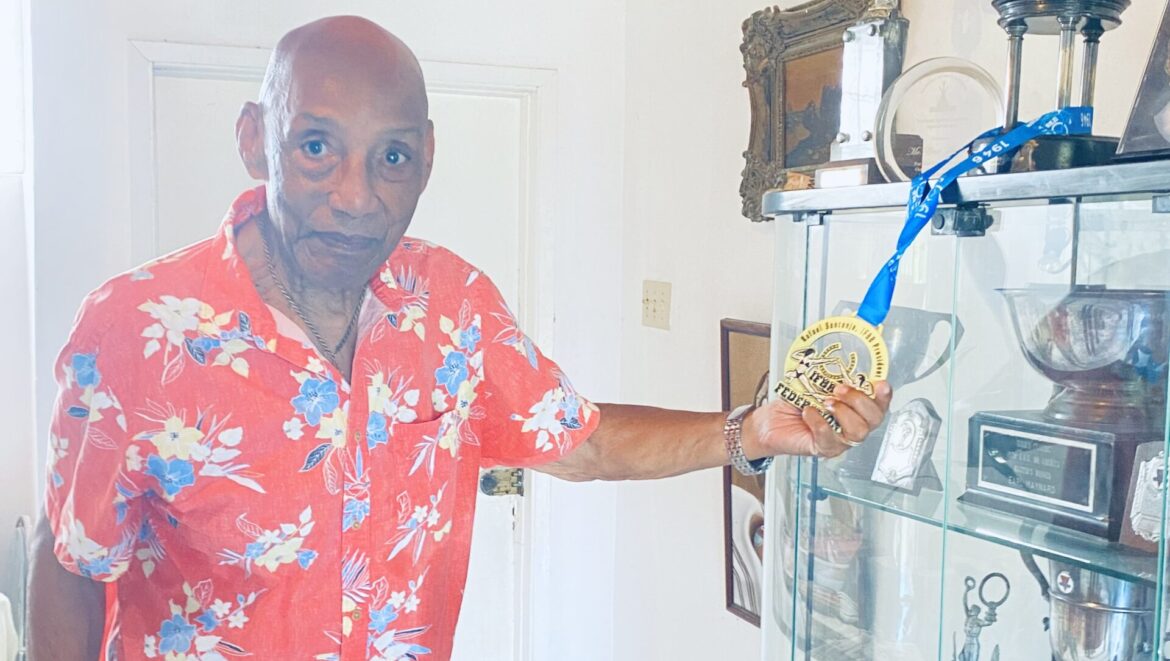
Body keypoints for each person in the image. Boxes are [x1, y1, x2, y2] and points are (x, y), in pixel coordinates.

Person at [28, 16, 891, 660]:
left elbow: (582, 441)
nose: (357, 196)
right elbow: (70, 560)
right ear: (257, 142)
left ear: (428, 158)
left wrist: (753, 429)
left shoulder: (452, 307)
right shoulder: (135, 331)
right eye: (317, 146)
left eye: (392, 157)